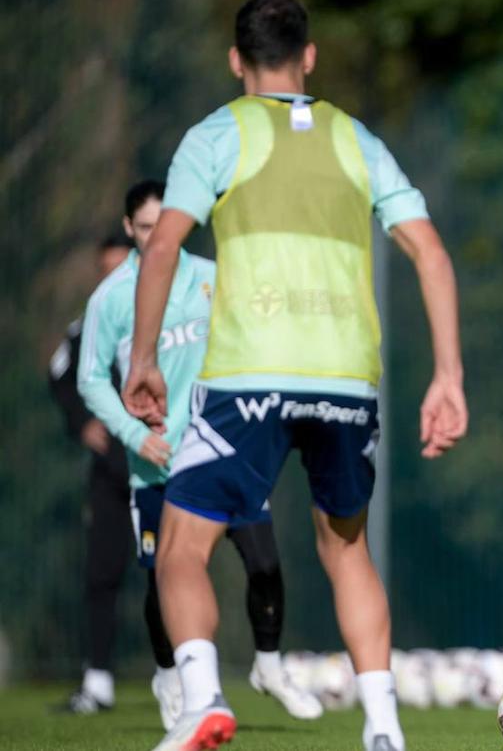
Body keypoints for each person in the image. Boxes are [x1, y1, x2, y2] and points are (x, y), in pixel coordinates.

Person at [122, 0, 467, 751]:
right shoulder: (356, 139)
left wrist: (144, 358)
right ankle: (383, 729)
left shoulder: (216, 134)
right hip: (346, 379)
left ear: (235, 60)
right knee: (346, 550)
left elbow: (160, 248)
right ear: (308, 57)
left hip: (251, 374)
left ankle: (204, 699)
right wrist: (448, 375)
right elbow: (432, 254)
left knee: (182, 547)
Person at [79, 180, 323, 731]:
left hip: (223, 454)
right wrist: (134, 435)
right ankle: (170, 674)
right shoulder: (111, 298)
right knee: (163, 574)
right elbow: (90, 379)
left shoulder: (215, 281)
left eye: (166, 223)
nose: (156, 235)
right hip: (157, 463)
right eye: (144, 227)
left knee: (264, 562)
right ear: (128, 229)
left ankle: (269, 666)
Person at [49, 232, 134, 715]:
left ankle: (182, 679)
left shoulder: (168, 320)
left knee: (172, 570)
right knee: (101, 572)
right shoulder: (89, 326)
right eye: (107, 270)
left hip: (163, 463)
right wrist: (83, 424)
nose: (115, 279)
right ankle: (97, 681)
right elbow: (58, 376)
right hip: (111, 470)